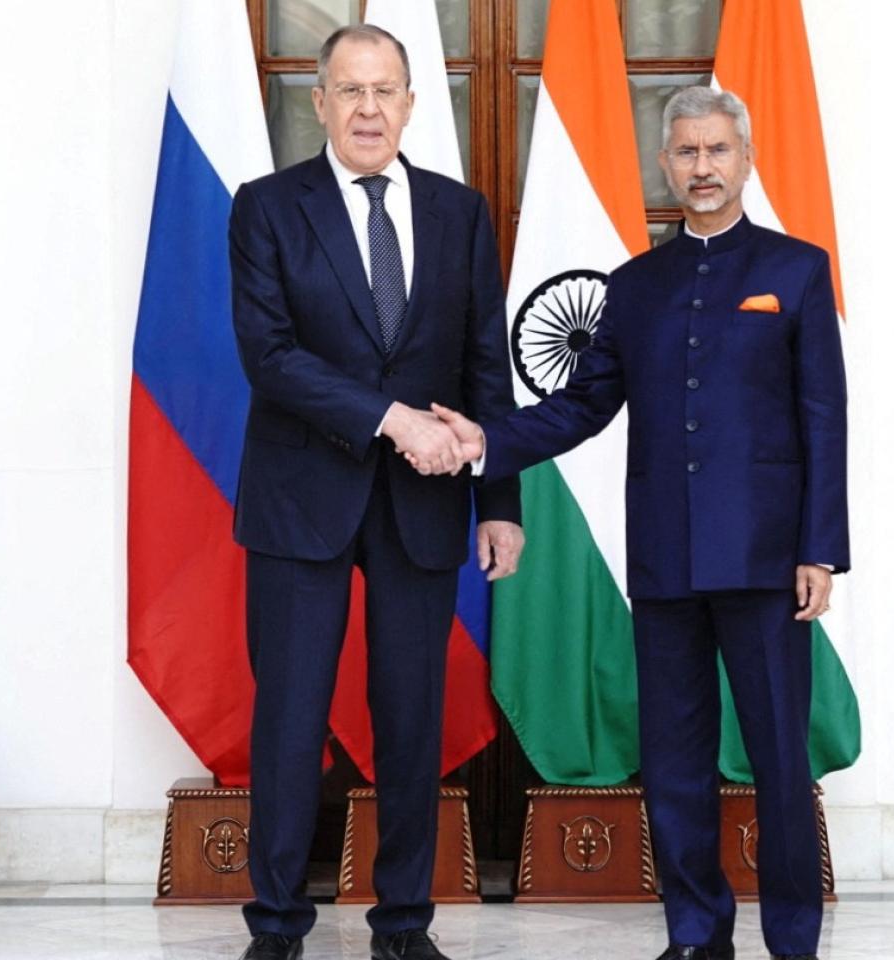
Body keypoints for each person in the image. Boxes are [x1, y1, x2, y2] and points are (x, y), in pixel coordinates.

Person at [420, 87, 848, 960]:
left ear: (744, 158)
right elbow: (581, 406)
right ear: (665, 165)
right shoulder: (635, 286)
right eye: (686, 153)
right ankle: (696, 934)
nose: (702, 168)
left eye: (717, 152)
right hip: (663, 560)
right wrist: (484, 441)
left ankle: (796, 941)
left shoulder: (795, 269)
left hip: (770, 562)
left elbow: (825, 418)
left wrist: (822, 551)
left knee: (778, 763)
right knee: (677, 764)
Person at [226, 24, 523, 960]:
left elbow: (485, 365)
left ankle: (404, 924)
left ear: (408, 102)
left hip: (424, 509)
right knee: (288, 721)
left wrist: (501, 500)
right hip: (299, 500)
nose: (367, 108)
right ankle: (276, 926)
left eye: (384, 90)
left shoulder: (459, 212)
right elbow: (270, 358)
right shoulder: (265, 208)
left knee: (410, 722)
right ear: (317, 103)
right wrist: (392, 419)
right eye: (348, 91)